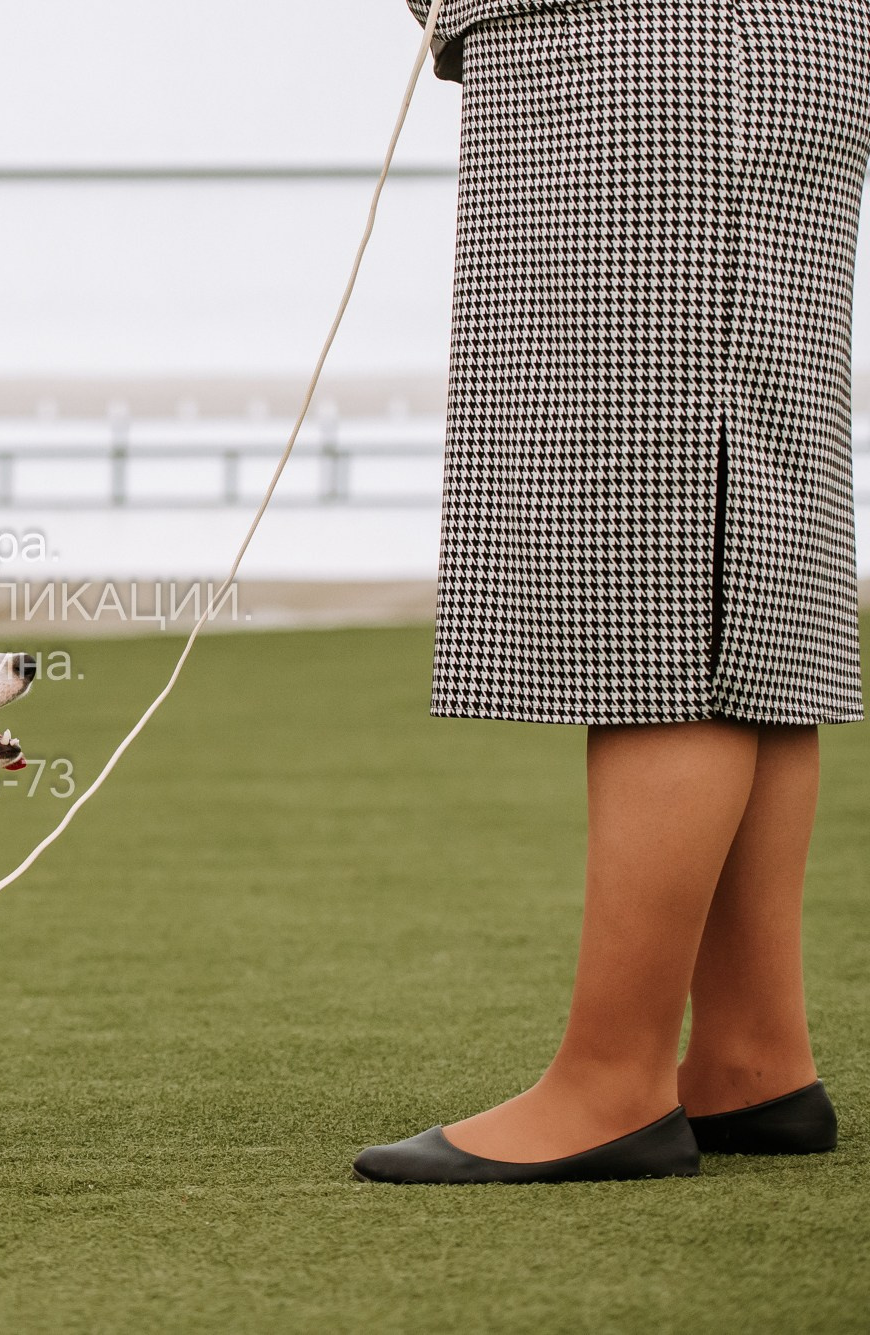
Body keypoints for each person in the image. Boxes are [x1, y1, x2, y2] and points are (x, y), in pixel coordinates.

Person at [352, 0, 866, 1185]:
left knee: (655, 543)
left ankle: (612, 1082)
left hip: (651, 48)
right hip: (687, 46)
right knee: (741, 545)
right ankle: (748, 1056)